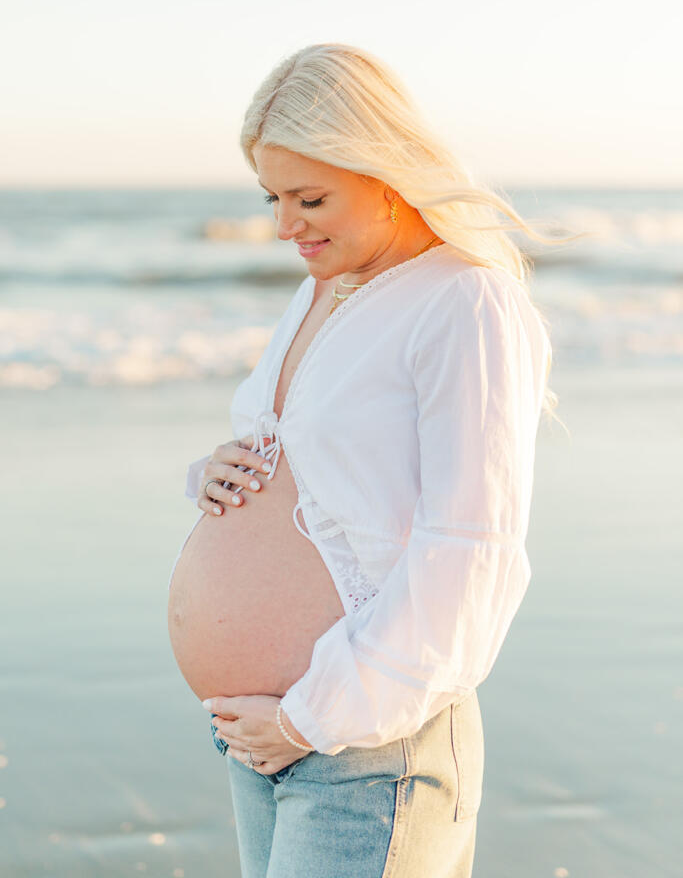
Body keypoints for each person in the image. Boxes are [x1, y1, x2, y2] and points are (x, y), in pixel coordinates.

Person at [175, 43, 568, 878]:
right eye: (272, 197)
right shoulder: (327, 285)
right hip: (262, 738)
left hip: (365, 749)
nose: (284, 226)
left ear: (385, 171)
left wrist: (311, 718)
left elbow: (469, 553)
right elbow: (325, 468)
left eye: (310, 197)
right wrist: (215, 473)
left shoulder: (464, 301)